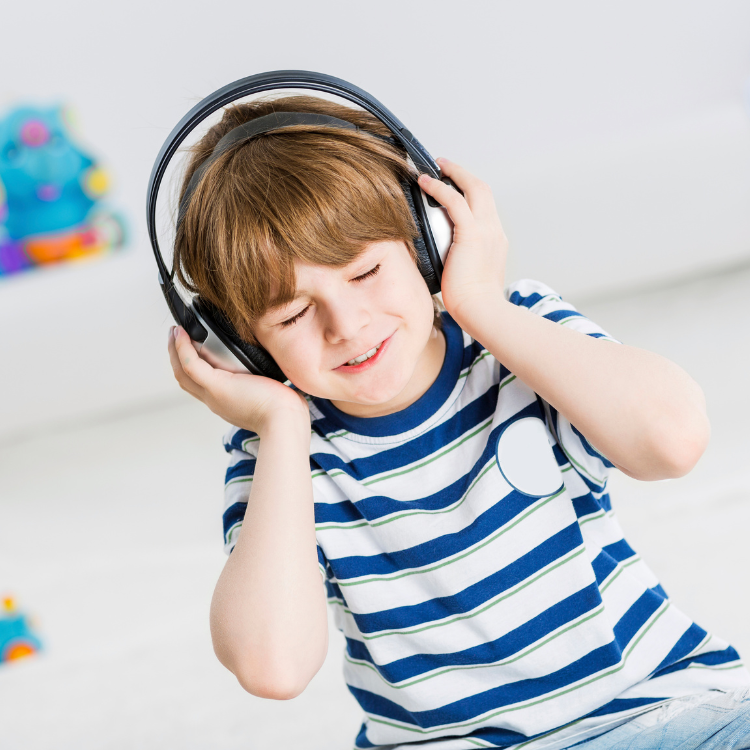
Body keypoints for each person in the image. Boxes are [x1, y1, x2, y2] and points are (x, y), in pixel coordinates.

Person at [166, 95, 750, 750]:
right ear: (240, 347)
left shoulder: (517, 337)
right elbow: (272, 665)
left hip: (659, 716)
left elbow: (672, 441)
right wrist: (278, 426)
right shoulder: (278, 452)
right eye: (293, 316)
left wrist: (479, 302)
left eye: (365, 272)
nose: (346, 325)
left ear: (428, 240)